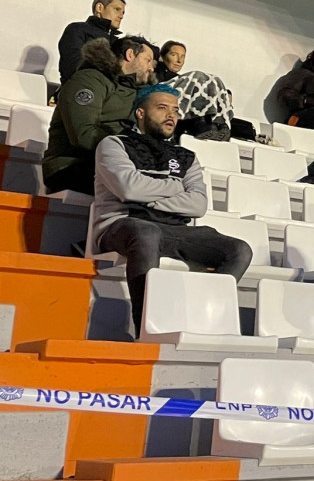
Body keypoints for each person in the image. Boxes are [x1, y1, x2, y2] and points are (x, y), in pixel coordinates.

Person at [93, 84, 252, 333]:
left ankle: (200, 322)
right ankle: (145, 329)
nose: (171, 115)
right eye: (162, 108)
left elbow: (198, 205)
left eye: (176, 111)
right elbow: (129, 189)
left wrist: (148, 193)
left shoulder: (186, 157)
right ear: (140, 113)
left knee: (239, 250)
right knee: (147, 233)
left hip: (174, 229)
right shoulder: (114, 144)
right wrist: (176, 186)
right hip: (123, 224)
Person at [44, 35, 157, 195]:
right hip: (73, 165)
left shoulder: (140, 92)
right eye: (148, 60)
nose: (151, 68)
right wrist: (131, 153)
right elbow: (84, 134)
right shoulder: (89, 80)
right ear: (130, 54)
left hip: (114, 165)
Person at [154, 40, 235, 141]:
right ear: (162, 57)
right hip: (161, 100)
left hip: (182, 115)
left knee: (215, 80)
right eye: (174, 55)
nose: (179, 60)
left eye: (183, 57)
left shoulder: (182, 80)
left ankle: (217, 124)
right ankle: (202, 124)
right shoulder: (153, 73)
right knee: (198, 77)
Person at [58, 0, 125, 82]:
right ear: (99, 8)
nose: (121, 16)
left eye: (123, 12)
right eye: (117, 9)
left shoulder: (117, 42)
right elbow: (72, 65)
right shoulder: (77, 29)